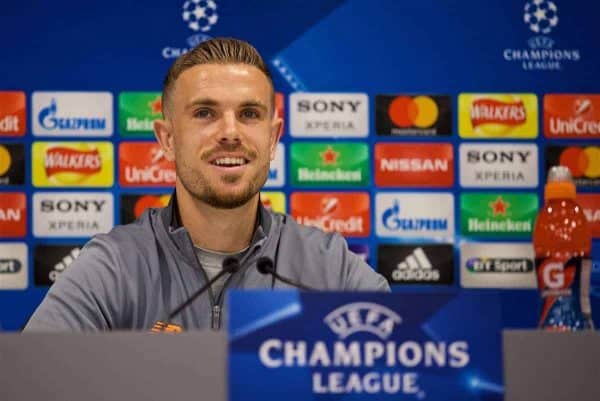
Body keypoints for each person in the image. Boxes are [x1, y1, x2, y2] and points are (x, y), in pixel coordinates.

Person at [24, 37, 389, 332]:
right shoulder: (113, 267)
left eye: (249, 114)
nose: (230, 132)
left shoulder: (330, 269)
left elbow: (408, 379)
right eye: (204, 113)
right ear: (167, 139)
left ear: (273, 136)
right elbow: (32, 383)